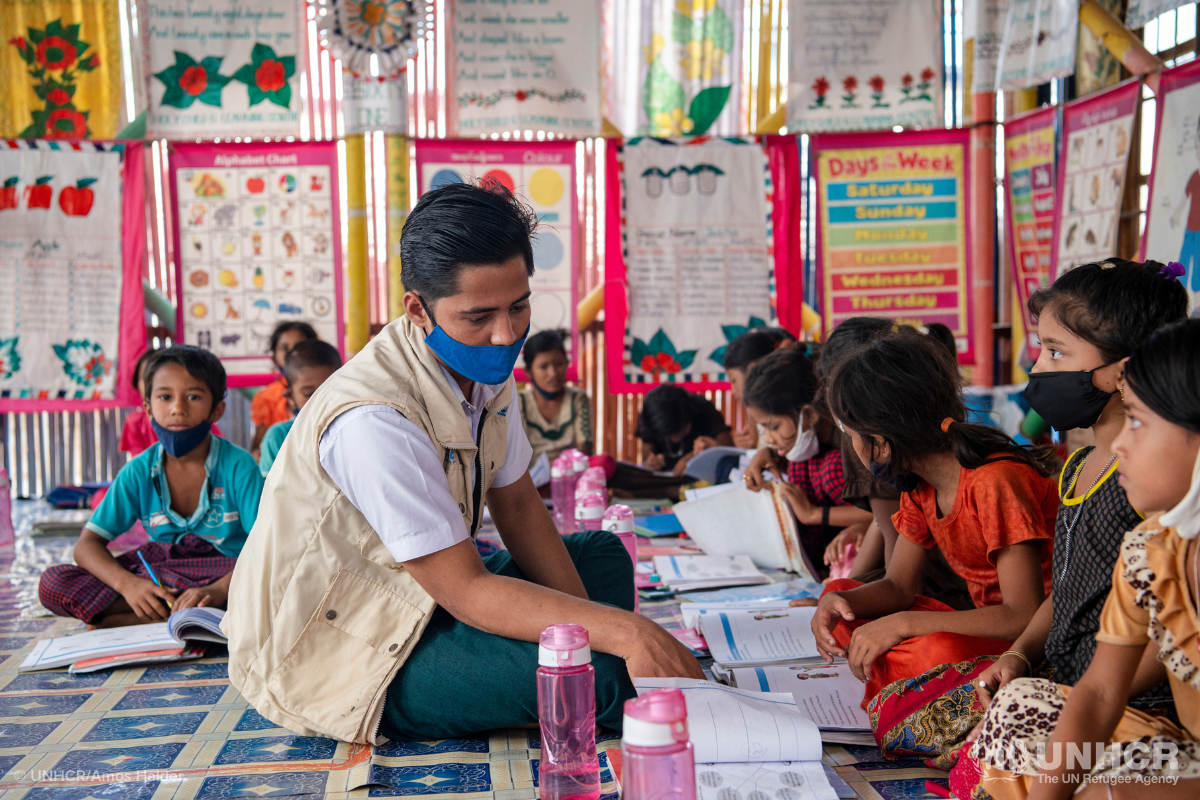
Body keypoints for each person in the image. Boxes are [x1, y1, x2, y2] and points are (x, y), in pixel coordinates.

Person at [224, 182, 702, 745]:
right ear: (417, 309)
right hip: (348, 646)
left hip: (424, 593)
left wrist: (601, 632)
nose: (505, 335)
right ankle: (533, 684)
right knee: (597, 685)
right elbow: (469, 590)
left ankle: (532, 673)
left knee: (602, 558)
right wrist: (625, 634)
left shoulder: (483, 371)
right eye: (478, 316)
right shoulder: (374, 420)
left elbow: (519, 503)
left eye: (519, 306)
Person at [968, 319, 1200, 800]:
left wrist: (1120, 794)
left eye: (1137, 421)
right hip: (1183, 752)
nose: (1120, 444)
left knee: (1103, 788)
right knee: (1021, 716)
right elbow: (1096, 695)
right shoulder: (1151, 549)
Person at [811, 330, 1059, 714]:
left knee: (934, 649)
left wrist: (904, 625)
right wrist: (836, 600)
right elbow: (897, 586)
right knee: (845, 601)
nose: (851, 444)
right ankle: (903, 684)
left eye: (851, 433)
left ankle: (907, 688)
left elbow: (1023, 615)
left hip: (1028, 645)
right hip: (986, 629)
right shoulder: (920, 487)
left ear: (880, 442)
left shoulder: (995, 481)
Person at [39, 346, 263, 627]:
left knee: (282, 577)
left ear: (216, 409)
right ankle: (178, 613)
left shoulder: (238, 466)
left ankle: (144, 616)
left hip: (227, 573)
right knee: (53, 583)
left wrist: (218, 591)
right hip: (162, 576)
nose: (177, 408)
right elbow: (87, 546)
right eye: (165, 397)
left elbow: (267, 545)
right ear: (148, 408)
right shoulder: (139, 471)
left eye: (193, 396)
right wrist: (129, 585)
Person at [740, 346, 873, 572]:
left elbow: (877, 513)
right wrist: (766, 455)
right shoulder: (803, 456)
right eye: (764, 429)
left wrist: (812, 514)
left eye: (772, 427)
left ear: (809, 414)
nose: (769, 439)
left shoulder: (839, 458)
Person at [259, 339, 342, 476]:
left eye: (328, 391)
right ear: (290, 397)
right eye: (309, 394)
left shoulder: (353, 430)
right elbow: (270, 495)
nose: (319, 402)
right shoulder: (278, 438)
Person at [119, 349, 224, 457]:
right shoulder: (135, 424)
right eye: (145, 377)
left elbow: (219, 453)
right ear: (136, 384)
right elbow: (141, 467)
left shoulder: (200, 421)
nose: (153, 383)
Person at [517, 328, 593, 466]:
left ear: (567, 363)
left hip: (571, 474)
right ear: (529, 371)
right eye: (543, 366)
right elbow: (514, 455)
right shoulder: (518, 402)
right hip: (529, 481)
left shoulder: (577, 398)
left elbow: (585, 448)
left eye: (559, 364)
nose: (553, 373)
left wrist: (562, 466)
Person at [249, 322, 317, 458]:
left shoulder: (325, 386)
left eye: (299, 346)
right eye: (284, 348)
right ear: (274, 357)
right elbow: (257, 449)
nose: (292, 353)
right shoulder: (265, 398)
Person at [637, 385, 733, 475]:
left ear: (689, 417)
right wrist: (650, 464)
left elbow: (728, 449)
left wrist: (696, 457)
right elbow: (646, 459)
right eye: (667, 435)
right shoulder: (651, 418)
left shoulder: (703, 408)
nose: (674, 439)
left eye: (678, 431)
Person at [723, 330, 780, 448]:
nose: (733, 391)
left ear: (753, 370)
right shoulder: (753, 407)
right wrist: (749, 444)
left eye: (734, 380)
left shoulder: (783, 403)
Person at [1168, 118, 1200, 292]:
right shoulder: (1195, 176)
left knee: (1198, 270)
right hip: (1190, 230)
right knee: (1184, 261)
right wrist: (1176, 215)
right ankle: (1180, 298)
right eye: (1198, 138)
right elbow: (1184, 198)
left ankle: (1197, 303)